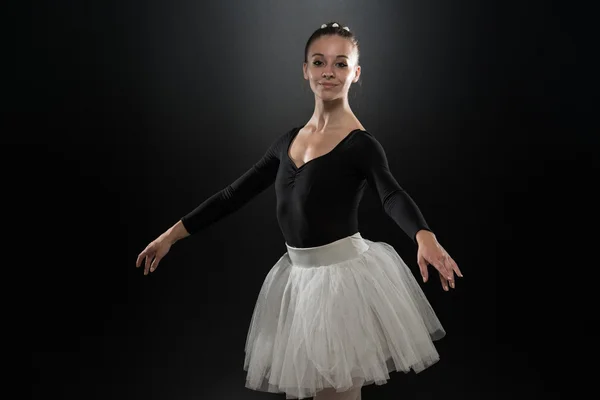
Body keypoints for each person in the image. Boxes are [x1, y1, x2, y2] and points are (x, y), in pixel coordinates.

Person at [136, 21, 463, 400]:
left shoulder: (361, 145)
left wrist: (424, 236)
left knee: (336, 393)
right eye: (319, 62)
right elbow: (232, 195)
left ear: (356, 74)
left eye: (341, 64)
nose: (329, 71)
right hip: (298, 281)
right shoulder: (288, 141)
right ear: (305, 70)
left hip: (340, 284)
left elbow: (392, 194)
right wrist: (170, 236)